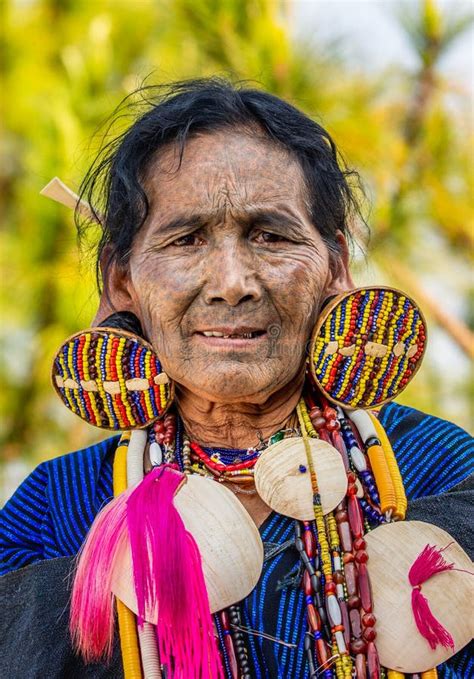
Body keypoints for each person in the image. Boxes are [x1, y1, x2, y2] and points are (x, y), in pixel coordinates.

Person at [1, 79, 472, 679]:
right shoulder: (55, 508)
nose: (233, 282)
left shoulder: (439, 471)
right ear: (122, 282)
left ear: (333, 266)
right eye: (186, 239)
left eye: (271, 236)